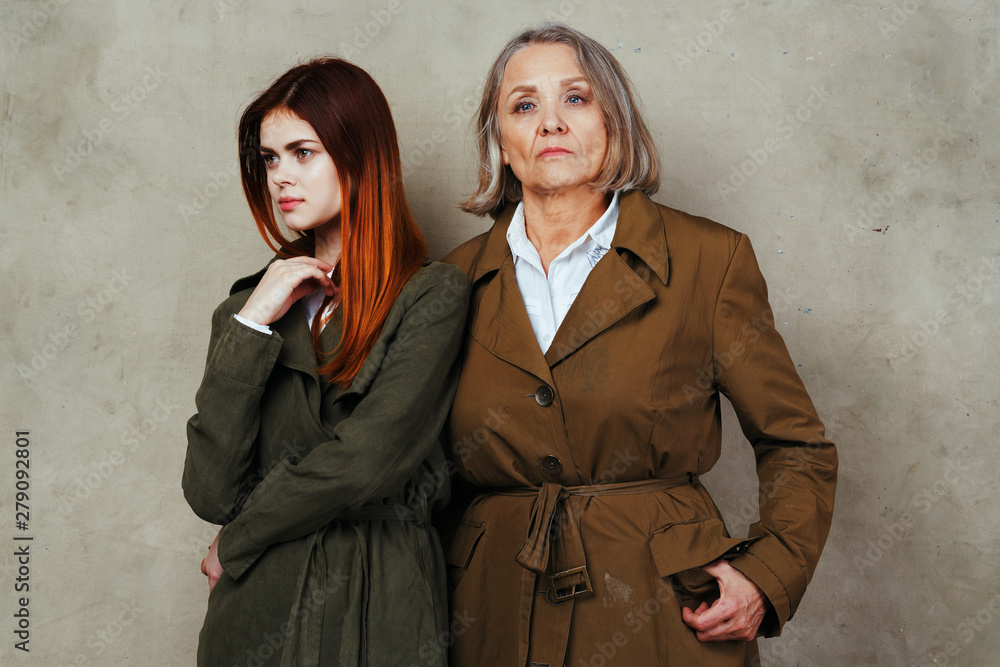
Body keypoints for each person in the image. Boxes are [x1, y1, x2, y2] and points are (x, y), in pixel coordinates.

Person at [442, 23, 838, 666]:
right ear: (501, 145)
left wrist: (769, 575)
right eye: (524, 105)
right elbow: (414, 469)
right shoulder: (450, 284)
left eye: (575, 98)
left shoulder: (710, 260)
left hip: (663, 617)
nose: (550, 123)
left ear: (615, 123)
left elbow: (797, 443)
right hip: (489, 616)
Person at [182, 57, 468, 666]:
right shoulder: (247, 309)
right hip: (257, 606)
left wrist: (237, 540)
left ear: (360, 155)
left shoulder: (431, 295)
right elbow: (209, 492)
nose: (281, 177)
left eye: (303, 152)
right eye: (270, 158)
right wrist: (251, 324)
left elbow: (365, 463)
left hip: (378, 597)